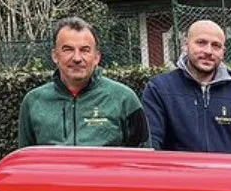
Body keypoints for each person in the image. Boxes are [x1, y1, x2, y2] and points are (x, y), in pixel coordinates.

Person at [17, 16, 147, 148]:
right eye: (68, 50)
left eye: (85, 50)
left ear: (96, 57)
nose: (77, 58)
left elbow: (144, 160)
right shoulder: (33, 102)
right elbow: (24, 161)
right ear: (55, 56)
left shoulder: (124, 99)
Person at [142, 19, 231, 154]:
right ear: (186, 45)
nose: (208, 51)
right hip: (178, 174)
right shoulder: (159, 89)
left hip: (226, 175)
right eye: (201, 43)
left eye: (216, 46)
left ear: (223, 52)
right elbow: (151, 146)